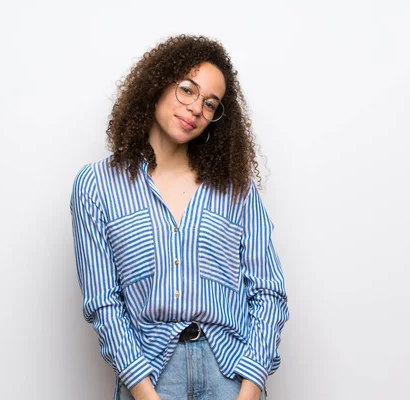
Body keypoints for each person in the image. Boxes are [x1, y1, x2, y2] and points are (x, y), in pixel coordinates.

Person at [70, 34, 289, 400]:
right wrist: (144, 394)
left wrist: (250, 390)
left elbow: (269, 292)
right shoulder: (97, 185)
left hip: (230, 375)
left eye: (210, 103)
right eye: (187, 90)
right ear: (159, 83)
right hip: (150, 378)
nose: (195, 108)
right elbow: (103, 302)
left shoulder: (235, 188)